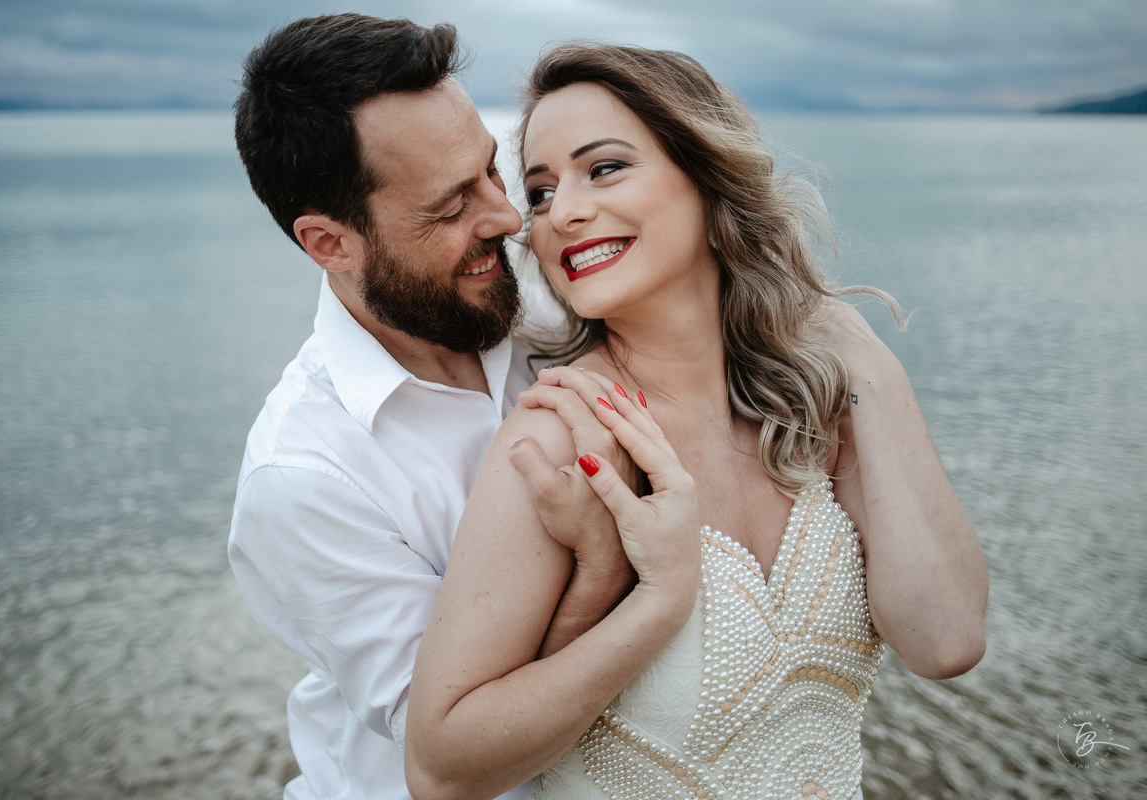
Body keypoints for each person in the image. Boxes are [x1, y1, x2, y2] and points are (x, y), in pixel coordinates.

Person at [404, 44, 990, 800]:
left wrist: (863, 358)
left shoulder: (812, 401)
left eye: (604, 168)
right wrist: (655, 603)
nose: (562, 215)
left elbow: (945, 640)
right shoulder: (565, 437)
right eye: (542, 191)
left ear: (707, 176)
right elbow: (442, 768)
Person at [227, 16, 645, 800]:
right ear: (328, 244)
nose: (508, 219)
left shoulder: (563, 307)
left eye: (493, 170)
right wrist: (604, 570)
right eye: (451, 208)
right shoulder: (305, 480)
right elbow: (465, 756)